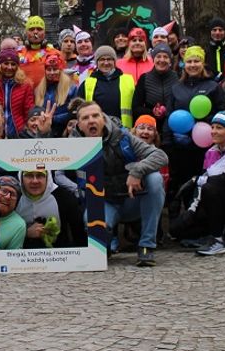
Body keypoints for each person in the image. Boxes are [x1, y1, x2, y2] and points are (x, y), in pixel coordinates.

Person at [71, 100, 168, 267]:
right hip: (103, 203)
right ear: (79, 125)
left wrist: (137, 171)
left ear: (103, 118)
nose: (92, 120)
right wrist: (42, 134)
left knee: (155, 179)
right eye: (86, 118)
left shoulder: (122, 136)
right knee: (90, 223)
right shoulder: (72, 144)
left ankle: (146, 245)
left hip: (132, 199)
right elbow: (43, 157)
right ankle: (104, 245)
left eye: (96, 116)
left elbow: (160, 156)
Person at [171, 111, 225, 256]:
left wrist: (198, 180)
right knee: (177, 229)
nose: (213, 131)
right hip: (214, 201)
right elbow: (202, 181)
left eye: (219, 128)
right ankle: (219, 231)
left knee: (211, 186)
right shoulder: (210, 152)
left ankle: (218, 240)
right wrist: (192, 209)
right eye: (212, 127)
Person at [164, 46, 225, 192]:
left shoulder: (213, 86)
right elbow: (169, 115)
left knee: (202, 184)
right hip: (180, 146)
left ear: (202, 63)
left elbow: (221, 113)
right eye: (189, 61)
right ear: (184, 65)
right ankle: (176, 212)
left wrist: (204, 121)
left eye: (196, 61)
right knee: (179, 184)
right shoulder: (176, 88)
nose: (193, 65)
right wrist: (168, 143)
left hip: (205, 147)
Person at [15, 166, 86, 248]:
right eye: (29, 175)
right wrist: (25, 233)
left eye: (40, 175)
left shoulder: (64, 197)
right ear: (21, 178)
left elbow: (79, 234)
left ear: (47, 177)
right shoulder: (14, 197)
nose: (35, 181)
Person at [77, 45, 134, 127]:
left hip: (123, 130)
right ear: (97, 62)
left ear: (114, 62)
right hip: (96, 130)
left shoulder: (128, 80)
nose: (106, 63)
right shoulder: (87, 83)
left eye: (109, 59)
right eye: (102, 59)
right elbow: (80, 109)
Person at [132, 44, 178, 133]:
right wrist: (153, 111)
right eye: (158, 56)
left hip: (173, 127)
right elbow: (135, 108)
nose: (162, 60)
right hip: (150, 129)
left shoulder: (177, 78)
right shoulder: (144, 78)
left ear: (170, 60)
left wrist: (167, 111)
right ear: (153, 59)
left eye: (165, 57)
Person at [0, 46, 33, 138]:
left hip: (18, 133)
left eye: (13, 64)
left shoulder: (25, 85)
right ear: (0, 65)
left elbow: (28, 111)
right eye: (6, 63)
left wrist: (24, 130)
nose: (9, 67)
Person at [33, 53, 75, 136]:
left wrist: (53, 119)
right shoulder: (39, 90)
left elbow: (73, 113)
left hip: (65, 132)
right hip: (45, 133)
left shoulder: (71, 88)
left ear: (60, 69)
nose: (52, 73)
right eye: (49, 69)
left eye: (55, 69)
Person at [18, 15, 54, 86]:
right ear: (26, 32)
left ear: (44, 32)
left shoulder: (54, 53)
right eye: (31, 29)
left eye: (39, 29)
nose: (35, 32)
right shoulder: (18, 54)